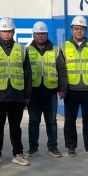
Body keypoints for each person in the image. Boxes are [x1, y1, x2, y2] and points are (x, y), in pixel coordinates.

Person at [0, 17, 32, 167]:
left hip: (17, 95)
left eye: (9, 31)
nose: (6, 34)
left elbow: (28, 74)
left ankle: (17, 154)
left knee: (15, 127)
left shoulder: (22, 50)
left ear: (14, 32)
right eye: (4, 31)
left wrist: (27, 95)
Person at [58, 15, 88, 157]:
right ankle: (71, 146)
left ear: (86, 30)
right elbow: (60, 69)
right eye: (76, 28)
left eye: (82, 29)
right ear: (71, 29)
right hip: (71, 90)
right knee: (69, 120)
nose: (79, 31)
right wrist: (61, 89)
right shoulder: (63, 46)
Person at [26, 21, 67, 158]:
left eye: (43, 33)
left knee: (51, 121)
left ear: (47, 34)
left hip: (50, 92)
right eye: (38, 33)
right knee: (34, 121)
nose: (41, 36)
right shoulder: (27, 50)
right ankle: (33, 148)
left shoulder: (55, 50)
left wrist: (62, 89)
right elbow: (24, 72)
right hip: (34, 93)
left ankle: (53, 147)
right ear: (33, 34)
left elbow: (61, 70)